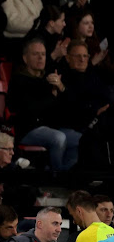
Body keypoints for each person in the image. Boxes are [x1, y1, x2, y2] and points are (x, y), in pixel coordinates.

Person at [7, 38, 81, 171]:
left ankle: (67, 172)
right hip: (27, 129)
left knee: (79, 139)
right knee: (58, 138)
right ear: (25, 58)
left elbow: (68, 106)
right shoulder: (19, 80)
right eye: (35, 54)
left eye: (43, 54)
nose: (41, 58)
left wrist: (61, 87)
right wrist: (52, 96)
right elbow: (31, 109)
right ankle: (55, 177)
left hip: (51, 127)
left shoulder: (48, 78)